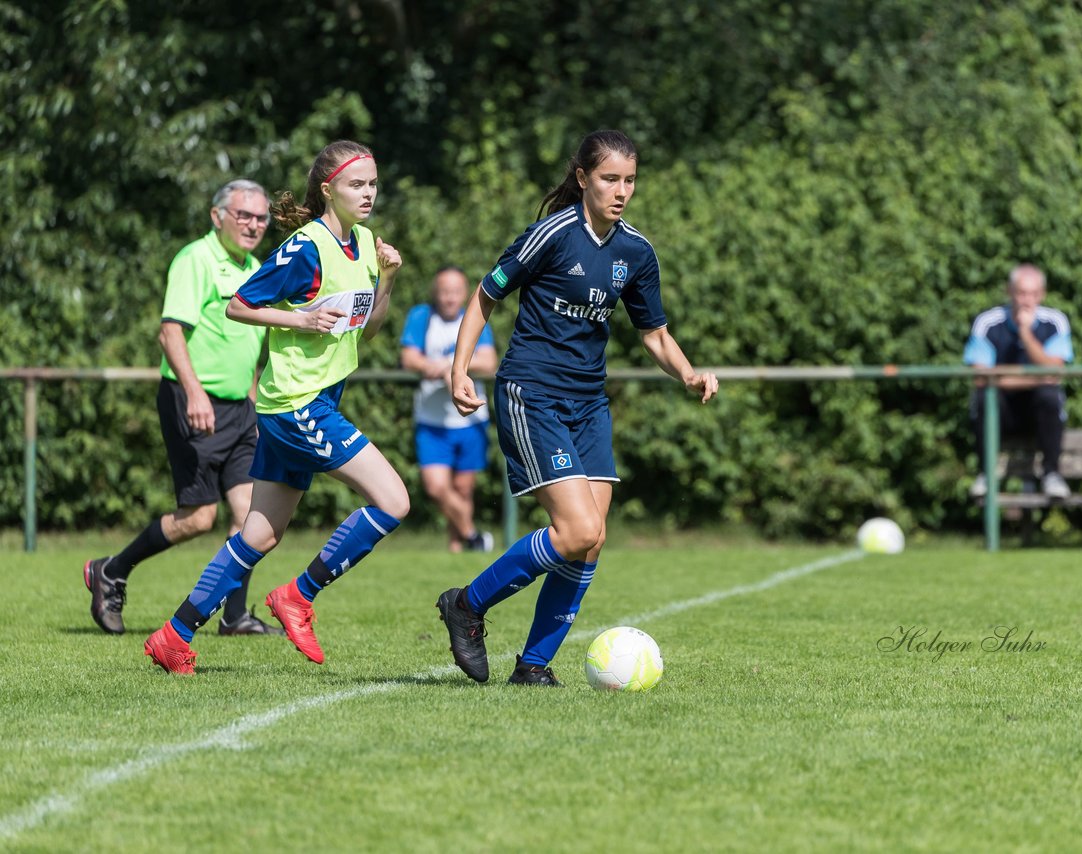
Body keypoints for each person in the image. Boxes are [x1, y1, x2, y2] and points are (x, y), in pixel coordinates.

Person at [434, 129, 718, 687]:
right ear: (584, 178)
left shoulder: (635, 251)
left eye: (630, 180)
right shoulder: (553, 234)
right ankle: (467, 603)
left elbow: (654, 333)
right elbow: (485, 296)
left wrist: (688, 372)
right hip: (531, 392)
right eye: (610, 178)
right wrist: (458, 369)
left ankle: (533, 666)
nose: (621, 191)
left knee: (591, 539)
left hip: (589, 403)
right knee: (576, 529)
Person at [144, 140, 409, 674]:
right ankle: (299, 595)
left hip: (312, 401)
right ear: (327, 189)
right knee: (394, 501)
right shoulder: (305, 248)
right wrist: (300, 320)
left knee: (260, 534)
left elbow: (370, 329)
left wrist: (388, 279)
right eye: (357, 184)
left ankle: (174, 634)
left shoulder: (361, 242)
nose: (369, 194)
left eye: (373, 184)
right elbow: (238, 304)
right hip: (297, 405)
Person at [82, 179, 283, 637]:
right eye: (243, 215)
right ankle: (111, 570)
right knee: (198, 518)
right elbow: (171, 332)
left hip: (239, 409)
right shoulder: (196, 259)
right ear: (218, 217)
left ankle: (234, 616)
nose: (253, 225)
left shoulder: (256, 267)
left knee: (251, 512)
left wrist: (253, 392)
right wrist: (194, 392)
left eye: (261, 217)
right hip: (194, 402)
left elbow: (248, 340)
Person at [400, 266, 498, 552]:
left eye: (455, 292)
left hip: (470, 419)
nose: (449, 298)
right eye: (444, 292)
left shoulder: (476, 316)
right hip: (431, 420)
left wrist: (450, 367)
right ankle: (473, 537)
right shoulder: (421, 317)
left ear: (464, 293)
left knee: (464, 489)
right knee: (436, 487)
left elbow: (488, 361)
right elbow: (409, 358)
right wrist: (428, 366)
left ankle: (457, 547)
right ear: (435, 293)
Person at [963, 264, 1074, 500]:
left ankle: (1052, 475)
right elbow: (981, 378)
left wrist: (1025, 333)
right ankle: (986, 474)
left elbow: (1053, 374)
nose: (1026, 300)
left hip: (1039, 414)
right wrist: (1036, 376)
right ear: (1009, 292)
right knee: (985, 399)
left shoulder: (1055, 322)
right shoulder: (987, 322)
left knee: (1049, 396)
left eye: (1033, 294)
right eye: (1021, 293)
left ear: (1041, 295)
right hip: (1003, 412)